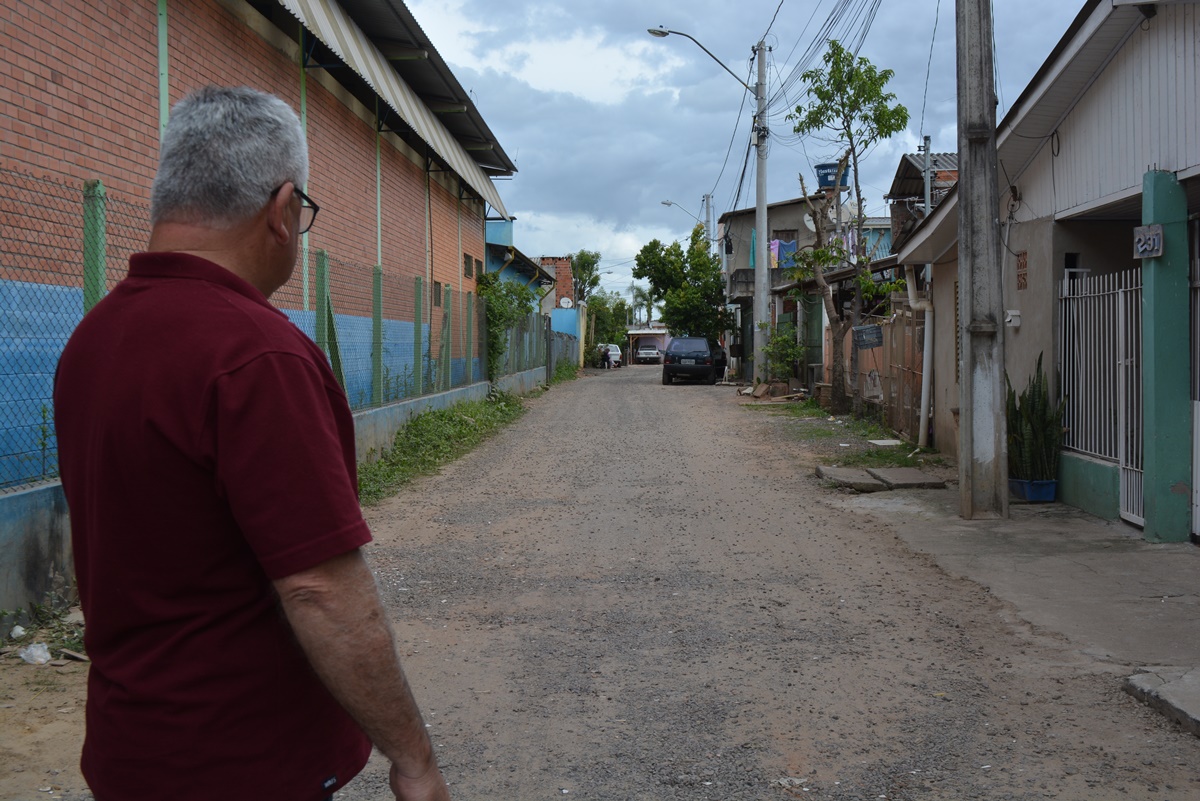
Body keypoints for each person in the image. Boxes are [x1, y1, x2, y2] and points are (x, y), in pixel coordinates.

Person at [54, 86, 450, 801]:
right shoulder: (257, 355)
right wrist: (414, 757)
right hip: (244, 767)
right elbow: (320, 585)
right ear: (284, 210)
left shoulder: (91, 341)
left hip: (129, 755)